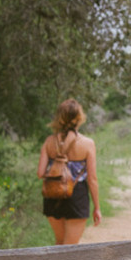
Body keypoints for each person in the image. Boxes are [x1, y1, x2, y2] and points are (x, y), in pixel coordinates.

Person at [38, 99, 102, 245]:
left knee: (59, 244)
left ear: (59, 118)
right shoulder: (87, 144)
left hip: (53, 193)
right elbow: (92, 179)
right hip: (76, 195)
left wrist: (57, 165)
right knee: (70, 249)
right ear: (79, 118)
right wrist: (97, 208)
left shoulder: (49, 142)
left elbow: (40, 173)